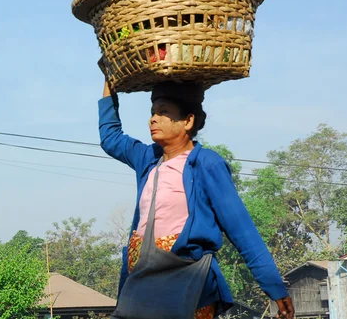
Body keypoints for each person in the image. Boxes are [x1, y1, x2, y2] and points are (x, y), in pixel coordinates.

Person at [98, 78, 294, 319]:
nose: (153, 119)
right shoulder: (147, 159)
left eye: (163, 112)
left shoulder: (207, 164)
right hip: (143, 283)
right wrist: (109, 83)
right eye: (152, 112)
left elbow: (242, 231)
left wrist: (274, 287)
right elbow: (110, 138)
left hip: (188, 282)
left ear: (188, 121)